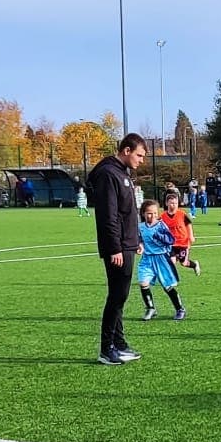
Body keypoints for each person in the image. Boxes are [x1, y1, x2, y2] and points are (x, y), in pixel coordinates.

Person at [87, 133, 146, 365]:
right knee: (117, 296)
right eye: (139, 155)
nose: (141, 160)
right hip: (117, 247)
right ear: (127, 150)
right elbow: (108, 215)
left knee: (120, 296)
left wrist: (137, 238)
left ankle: (119, 344)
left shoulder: (122, 173)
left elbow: (128, 211)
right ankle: (106, 348)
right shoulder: (108, 174)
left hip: (127, 243)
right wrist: (115, 248)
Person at [136, 199, 186, 321]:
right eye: (149, 213)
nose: (152, 216)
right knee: (143, 283)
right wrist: (140, 246)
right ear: (143, 213)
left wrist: (160, 236)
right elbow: (140, 240)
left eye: (154, 213)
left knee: (167, 286)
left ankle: (180, 309)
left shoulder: (161, 225)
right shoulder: (140, 227)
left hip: (162, 259)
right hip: (147, 259)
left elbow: (171, 240)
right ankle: (150, 308)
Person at [161, 191, 200, 273]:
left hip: (182, 243)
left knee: (184, 263)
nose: (174, 205)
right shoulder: (163, 216)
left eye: (175, 203)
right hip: (170, 243)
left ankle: (195, 265)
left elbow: (188, 224)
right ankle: (171, 279)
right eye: (171, 203)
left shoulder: (182, 214)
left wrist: (191, 236)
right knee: (172, 261)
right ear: (166, 203)